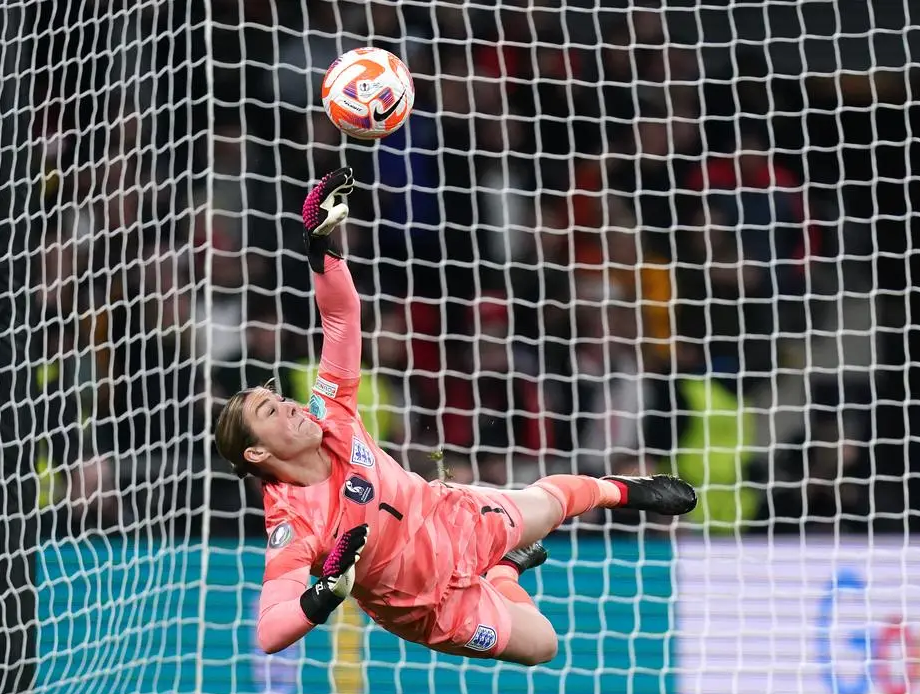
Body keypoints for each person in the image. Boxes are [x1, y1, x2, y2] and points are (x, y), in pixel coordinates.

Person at [214, 168, 696, 666]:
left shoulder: (330, 413)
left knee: (549, 507)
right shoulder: (293, 523)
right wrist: (326, 593)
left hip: (454, 518)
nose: (291, 404)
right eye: (272, 409)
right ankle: (506, 571)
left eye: (283, 398)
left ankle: (625, 489)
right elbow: (270, 632)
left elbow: (341, 318)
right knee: (543, 646)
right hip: (433, 606)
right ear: (257, 452)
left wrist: (321, 246)